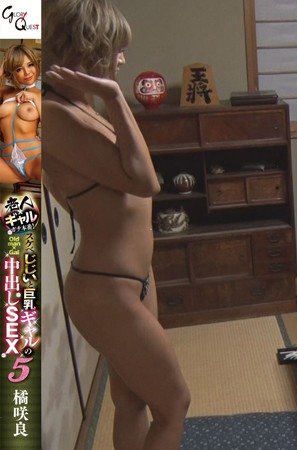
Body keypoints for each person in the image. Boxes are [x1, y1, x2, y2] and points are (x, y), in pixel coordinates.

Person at [42, 1, 190, 448]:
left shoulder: (79, 103)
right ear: (87, 48)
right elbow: (146, 181)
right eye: (115, 50)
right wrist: (114, 96)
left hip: (135, 278)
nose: (122, 59)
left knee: (132, 402)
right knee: (174, 403)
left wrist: (105, 98)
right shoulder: (55, 114)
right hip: (104, 288)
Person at [0, 44, 42, 183]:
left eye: (30, 65)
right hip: (7, 164)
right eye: (19, 68)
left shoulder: (42, 95)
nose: (27, 72)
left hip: (34, 158)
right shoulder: (5, 92)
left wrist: (34, 98)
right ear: (12, 71)